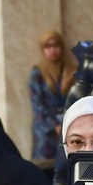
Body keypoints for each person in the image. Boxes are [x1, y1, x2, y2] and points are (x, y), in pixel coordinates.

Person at [29, 30, 76, 160]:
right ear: (42, 49)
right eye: (48, 46)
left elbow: (77, 100)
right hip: (45, 130)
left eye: (56, 45)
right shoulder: (37, 73)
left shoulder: (72, 72)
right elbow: (38, 106)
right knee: (45, 167)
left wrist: (65, 124)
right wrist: (55, 125)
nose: (53, 50)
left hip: (69, 126)